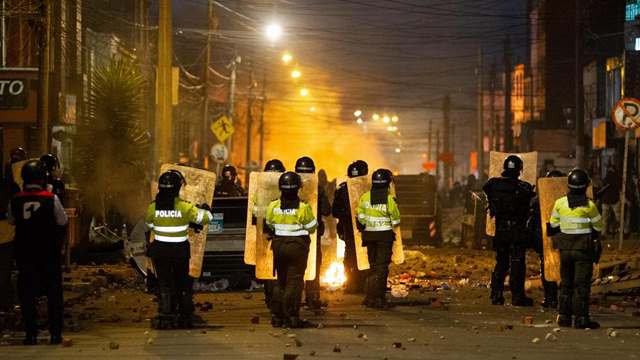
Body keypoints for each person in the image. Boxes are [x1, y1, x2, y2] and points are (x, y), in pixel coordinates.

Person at [8, 160, 68, 345]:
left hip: (25, 253)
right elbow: (62, 221)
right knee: (53, 294)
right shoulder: (51, 198)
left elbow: (11, 220)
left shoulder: (16, 199)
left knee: (27, 294)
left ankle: (30, 334)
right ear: (43, 177)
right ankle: (55, 334)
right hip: (48, 252)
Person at [145, 170, 212, 329]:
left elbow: (150, 226)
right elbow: (206, 218)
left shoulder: (153, 207)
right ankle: (185, 315)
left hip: (160, 251)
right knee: (183, 283)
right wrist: (205, 208)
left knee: (164, 283)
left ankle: (166, 315)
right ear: (177, 188)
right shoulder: (184, 207)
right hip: (179, 252)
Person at [548, 169, 602, 329]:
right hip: (582, 250)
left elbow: (553, 225)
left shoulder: (559, 203)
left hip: (565, 250)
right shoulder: (590, 206)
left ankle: (564, 317)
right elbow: (598, 227)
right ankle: (581, 319)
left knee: (566, 283)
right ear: (585, 186)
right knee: (581, 285)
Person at [266, 172, 318, 328]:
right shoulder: (303, 208)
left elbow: (269, 223)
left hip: (278, 246)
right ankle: (291, 317)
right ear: (298, 188)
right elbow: (312, 227)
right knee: (294, 282)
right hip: (297, 248)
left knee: (281, 281)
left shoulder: (273, 206)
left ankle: (277, 316)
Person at [483, 155, 535, 307]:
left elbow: (485, 190)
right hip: (517, 230)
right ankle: (517, 297)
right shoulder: (524, 187)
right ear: (520, 169)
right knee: (517, 263)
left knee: (501, 263)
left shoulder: (493, 184)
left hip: (501, 230)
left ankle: (496, 295)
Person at [356, 169, 401, 309]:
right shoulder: (389, 200)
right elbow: (396, 221)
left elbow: (361, 219)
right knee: (382, 269)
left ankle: (369, 297)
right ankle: (379, 299)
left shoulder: (365, 198)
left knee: (373, 267)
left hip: (369, 236)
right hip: (384, 238)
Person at [295, 156, 331, 311]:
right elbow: (326, 210)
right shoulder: (318, 189)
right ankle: (312, 298)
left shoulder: (286, 186)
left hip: (291, 234)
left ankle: (293, 300)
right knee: (313, 266)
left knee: (294, 270)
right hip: (311, 234)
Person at [528, 169, 564, 308]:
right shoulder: (541, 200)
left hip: (552, 239)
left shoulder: (540, 200)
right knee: (552, 268)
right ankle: (553, 298)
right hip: (550, 239)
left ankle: (552, 298)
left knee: (549, 268)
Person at [332, 160, 368, 294]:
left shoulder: (342, 189)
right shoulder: (370, 189)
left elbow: (334, 212)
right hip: (365, 230)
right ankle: (363, 284)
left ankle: (352, 284)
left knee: (350, 258)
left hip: (348, 231)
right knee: (365, 257)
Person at [0, 147, 26, 315]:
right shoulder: (12, 186)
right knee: (4, 272)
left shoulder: (12, 184)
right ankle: (6, 304)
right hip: (8, 235)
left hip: (8, 234)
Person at [259, 159, 286, 314]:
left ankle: (272, 300)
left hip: (269, 237)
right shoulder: (290, 197)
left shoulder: (261, 192)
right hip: (282, 239)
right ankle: (280, 303)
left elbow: (256, 215)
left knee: (268, 270)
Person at [600, 165, 621, 236]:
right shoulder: (617, 178)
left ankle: (603, 233)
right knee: (618, 217)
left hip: (605, 200)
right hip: (615, 200)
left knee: (604, 219)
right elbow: (620, 188)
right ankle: (619, 232)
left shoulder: (605, 178)